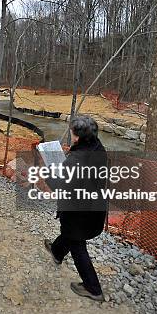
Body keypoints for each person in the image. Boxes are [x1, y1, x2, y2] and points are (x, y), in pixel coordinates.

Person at [43, 115, 107, 302]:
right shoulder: (97, 147)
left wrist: (47, 173)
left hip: (78, 211)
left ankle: (93, 288)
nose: (70, 136)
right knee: (70, 234)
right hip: (95, 205)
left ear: (78, 137)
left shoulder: (77, 160)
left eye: (72, 133)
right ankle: (56, 251)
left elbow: (60, 186)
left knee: (77, 244)